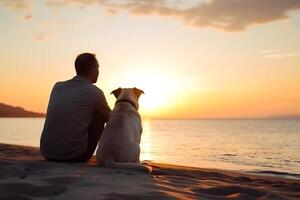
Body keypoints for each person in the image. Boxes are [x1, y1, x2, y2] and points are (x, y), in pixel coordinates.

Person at [40, 53, 111, 162]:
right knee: (100, 116)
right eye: (97, 67)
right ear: (93, 69)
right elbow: (112, 120)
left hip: (47, 152)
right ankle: (112, 154)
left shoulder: (57, 86)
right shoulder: (94, 92)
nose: (98, 71)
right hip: (74, 156)